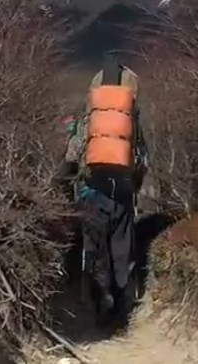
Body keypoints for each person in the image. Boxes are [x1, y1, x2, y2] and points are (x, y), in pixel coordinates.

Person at [61, 51, 148, 323]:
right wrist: (134, 185)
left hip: (91, 193)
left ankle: (99, 304)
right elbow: (142, 160)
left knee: (95, 249)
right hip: (122, 193)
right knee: (121, 250)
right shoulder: (130, 126)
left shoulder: (89, 123)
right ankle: (122, 307)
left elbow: (72, 156)